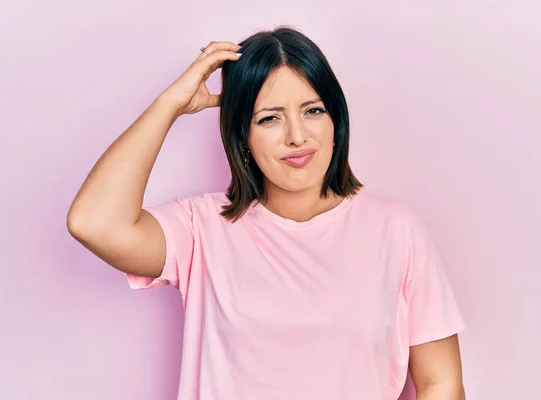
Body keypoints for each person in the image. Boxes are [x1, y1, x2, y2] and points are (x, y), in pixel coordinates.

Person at [67, 27, 467, 400]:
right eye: (269, 118)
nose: (296, 135)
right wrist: (170, 105)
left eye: (312, 110)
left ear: (336, 120)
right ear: (242, 135)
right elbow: (93, 223)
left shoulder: (395, 230)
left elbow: (440, 382)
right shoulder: (202, 230)